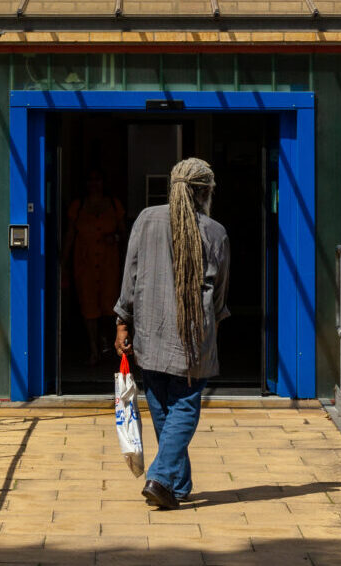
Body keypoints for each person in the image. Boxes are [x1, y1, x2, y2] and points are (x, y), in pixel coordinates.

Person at [113, 156, 230, 510]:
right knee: (184, 406)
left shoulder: (146, 220)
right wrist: (214, 321)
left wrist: (122, 320)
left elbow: (130, 274)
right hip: (192, 337)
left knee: (163, 405)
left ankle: (178, 485)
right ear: (205, 192)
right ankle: (162, 477)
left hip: (149, 331)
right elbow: (220, 292)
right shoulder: (214, 231)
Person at [61, 171, 126, 364]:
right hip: (85, 265)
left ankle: (111, 343)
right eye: (90, 180)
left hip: (109, 265)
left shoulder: (114, 204)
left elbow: (124, 234)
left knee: (110, 307)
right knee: (89, 307)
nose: (94, 184)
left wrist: (113, 238)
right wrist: (63, 264)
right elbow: (70, 235)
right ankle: (94, 349)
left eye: (98, 179)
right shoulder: (78, 206)